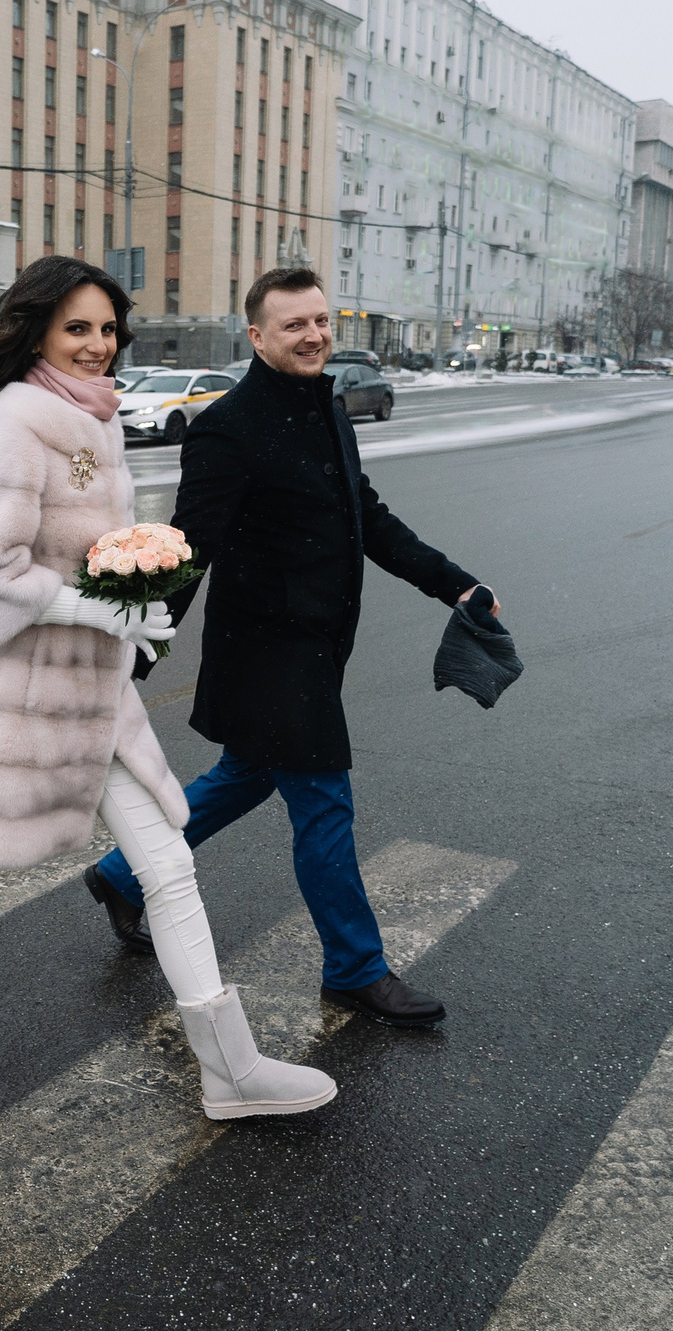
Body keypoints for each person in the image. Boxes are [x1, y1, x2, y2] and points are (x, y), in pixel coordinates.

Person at [0, 255, 336, 1120]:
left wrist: (135, 591)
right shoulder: (18, 424)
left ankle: (228, 1068)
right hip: (26, 699)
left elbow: (81, 549)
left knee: (168, 866)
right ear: (36, 329)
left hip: (96, 693)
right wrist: (98, 610)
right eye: (77, 328)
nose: (97, 345)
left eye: (108, 329)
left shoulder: (93, 419)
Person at [81, 269, 495, 1028]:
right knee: (324, 801)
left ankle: (120, 876)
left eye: (321, 321)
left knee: (246, 776)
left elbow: (366, 517)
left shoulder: (327, 407)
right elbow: (186, 548)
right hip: (268, 651)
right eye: (295, 325)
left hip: (317, 643)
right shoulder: (227, 427)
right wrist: (133, 656)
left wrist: (456, 585)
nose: (314, 335)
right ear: (258, 337)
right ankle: (356, 968)